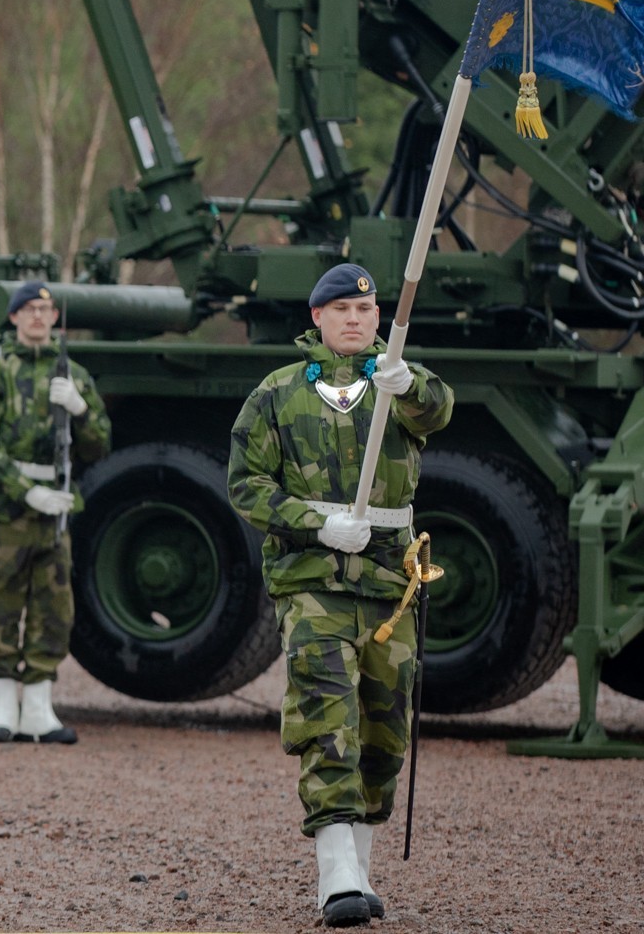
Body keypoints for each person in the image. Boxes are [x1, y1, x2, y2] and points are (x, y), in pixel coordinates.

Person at [227, 263, 453, 929]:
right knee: (326, 720)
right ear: (317, 317)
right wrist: (316, 524)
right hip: (312, 581)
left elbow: (439, 411)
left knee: (385, 731)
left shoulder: (399, 384)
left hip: (388, 582)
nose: (354, 320)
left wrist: (407, 384)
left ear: (378, 317)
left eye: (364, 310)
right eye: (341, 310)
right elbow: (246, 484)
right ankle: (336, 876)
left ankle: (360, 865)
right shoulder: (278, 394)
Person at [0, 281, 108, 744]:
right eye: (28, 309)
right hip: (9, 507)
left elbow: (98, 445)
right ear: (13, 318)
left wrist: (80, 409)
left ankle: (39, 707)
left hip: (56, 506)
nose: (37, 317)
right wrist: (26, 491)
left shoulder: (72, 374)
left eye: (44, 310)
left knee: (53, 607)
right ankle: (2, 706)